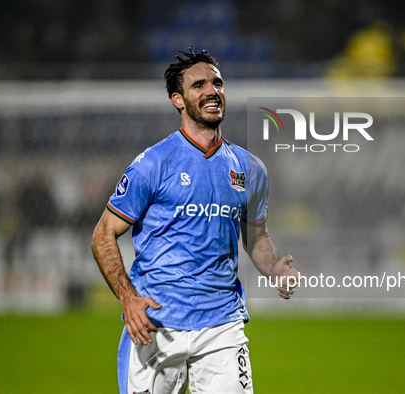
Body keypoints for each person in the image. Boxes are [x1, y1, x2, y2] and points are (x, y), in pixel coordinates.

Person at [91, 48, 299, 394]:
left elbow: (257, 237)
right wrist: (127, 297)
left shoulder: (250, 169)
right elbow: (103, 235)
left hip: (222, 326)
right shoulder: (152, 164)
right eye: (199, 85)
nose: (212, 91)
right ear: (178, 99)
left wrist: (275, 267)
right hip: (156, 323)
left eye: (217, 83)